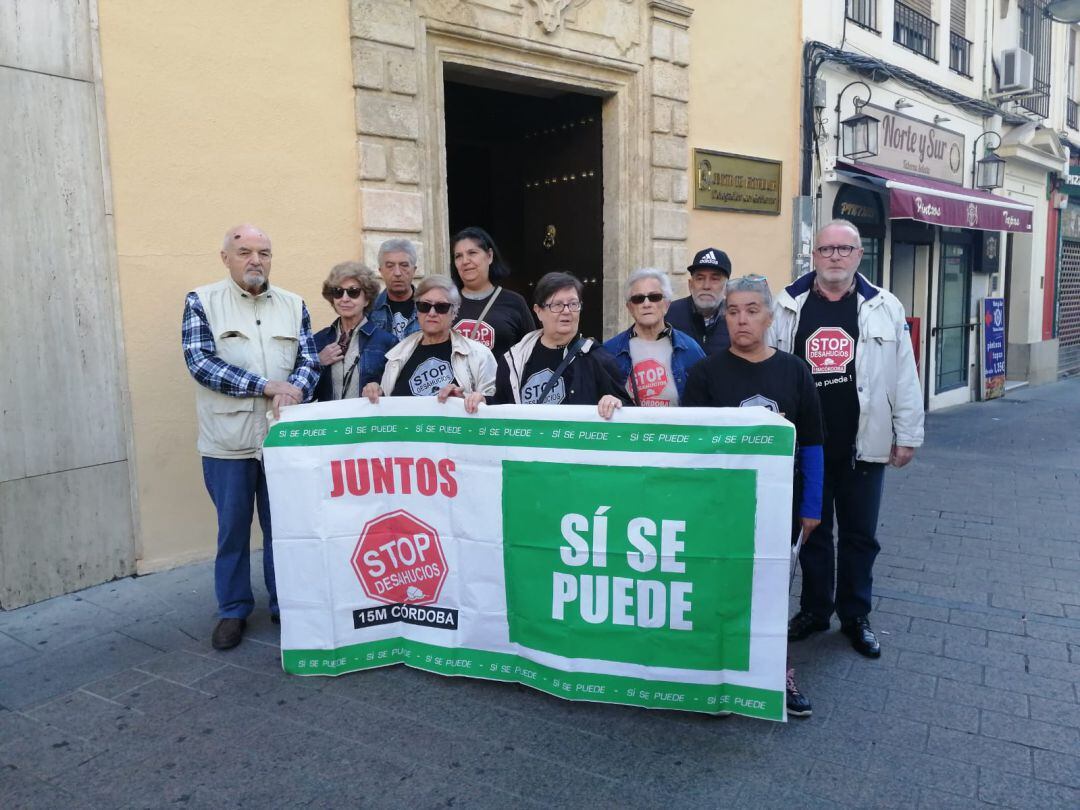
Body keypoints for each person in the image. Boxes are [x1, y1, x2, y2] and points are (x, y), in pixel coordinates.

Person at [774, 219, 924, 659]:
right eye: (826, 249)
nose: (835, 257)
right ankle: (815, 610)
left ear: (859, 255)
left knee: (860, 535)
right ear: (814, 256)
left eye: (844, 249)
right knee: (812, 531)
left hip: (865, 442)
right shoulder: (787, 304)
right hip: (808, 449)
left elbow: (905, 375)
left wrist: (908, 433)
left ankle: (855, 615)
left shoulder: (884, 306)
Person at [683, 275, 824, 718]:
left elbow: (815, 444)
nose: (741, 320)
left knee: (771, 593)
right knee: (716, 589)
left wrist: (812, 506)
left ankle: (777, 672)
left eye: (751, 310)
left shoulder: (795, 371)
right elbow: (690, 445)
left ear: (768, 317)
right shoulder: (706, 372)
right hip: (721, 507)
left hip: (778, 508)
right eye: (733, 311)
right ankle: (712, 671)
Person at [181, 224, 319, 650]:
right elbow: (200, 362)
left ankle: (288, 604)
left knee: (285, 528)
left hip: (280, 441)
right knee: (233, 530)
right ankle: (233, 610)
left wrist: (295, 386)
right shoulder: (202, 301)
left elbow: (309, 360)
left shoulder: (294, 304)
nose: (255, 260)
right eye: (244, 252)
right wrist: (266, 386)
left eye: (264, 252)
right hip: (229, 443)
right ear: (226, 258)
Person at [493, 271, 631, 418]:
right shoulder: (513, 361)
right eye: (557, 305)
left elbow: (629, 413)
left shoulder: (597, 358)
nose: (566, 311)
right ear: (538, 311)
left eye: (573, 304)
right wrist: (482, 401)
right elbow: (499, 410)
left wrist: (615, 402)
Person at [363, 276, 496, 405]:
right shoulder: (397, 355)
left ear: (454, 312)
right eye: (424, 306)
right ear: (417, 311)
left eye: (441, 307)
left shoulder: (479, 355)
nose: (432, 313)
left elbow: (496, 403)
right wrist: (376, 392)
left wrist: (466, 400)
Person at [603, 267, 705, 406]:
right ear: (629, 307)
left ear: (667, 304)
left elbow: (706, 400)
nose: (646, 304)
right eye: (638, 299)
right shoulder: (610, 351)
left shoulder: (690, 349)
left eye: (654, 297)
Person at [312, 262, 396, 402]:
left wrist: (379, 389)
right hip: (329, 422)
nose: (345, 299)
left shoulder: (387, 342)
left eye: (353, 292)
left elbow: (396, 394)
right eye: (338, 292)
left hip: (366, 422)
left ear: (367, 299)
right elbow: (305, 395)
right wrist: (317, 363)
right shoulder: (319, 340)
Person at [449, 226, 535, 360]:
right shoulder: (445, 303)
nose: (465, 261)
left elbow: (531, 352)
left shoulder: (515, 302)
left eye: (472, 253)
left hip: (503, 381)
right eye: (458, 256)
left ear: (489, 256)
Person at [666, 247, 732, 355]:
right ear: (690, 284)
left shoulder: (735, 318)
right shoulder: (668, 315)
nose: (706, 286)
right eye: (700, 278)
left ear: (726, 287)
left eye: (714, 279)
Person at [369, 238, 420, 341]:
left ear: (414, 270)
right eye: (390, 266)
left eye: (404, 265)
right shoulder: (369, 310)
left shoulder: (430, 308)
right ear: (381, 271)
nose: (397, 273)